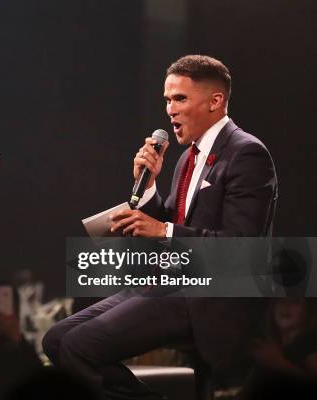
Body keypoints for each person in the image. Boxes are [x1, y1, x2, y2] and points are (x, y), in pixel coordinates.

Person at [42, 55, 278, 399]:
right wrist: (148, 186)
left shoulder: (246, 153)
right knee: (56, 340)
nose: (170, 110)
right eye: (167, 100)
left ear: (216, 101)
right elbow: (168, 222)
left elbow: (240, 251)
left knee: (79, 346)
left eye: (180, 99)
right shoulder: (187, 158)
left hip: (208, 296)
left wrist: (163, 232)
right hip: (169, 284)